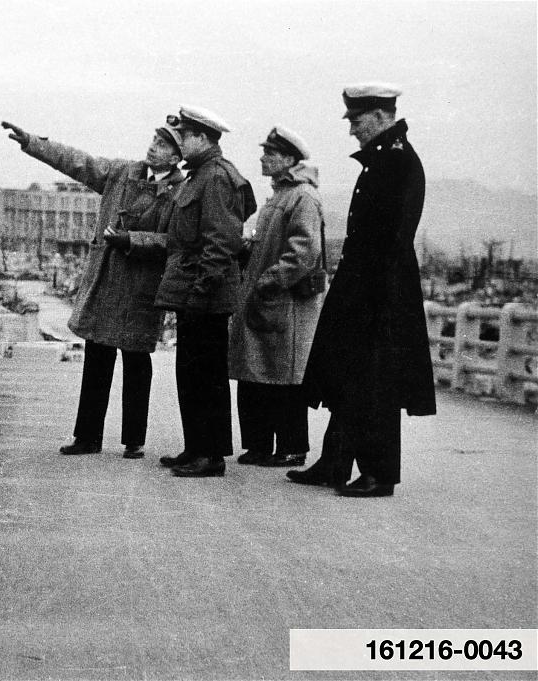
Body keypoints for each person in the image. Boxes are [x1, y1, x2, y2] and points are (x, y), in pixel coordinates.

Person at [0, 119, 186, 459]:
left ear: (176, 158)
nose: (152, 147)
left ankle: (134, 439)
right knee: (97, 359)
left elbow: (175, 241)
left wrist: (133, 239)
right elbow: (78, 161)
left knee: (137, 363)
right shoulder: (122, 173)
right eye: (154, 140)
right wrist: (33, 143)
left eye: (162, 145)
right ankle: (87, 437)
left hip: (142, 287)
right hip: (106, 281)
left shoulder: (181, 193)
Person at [296, 83, 435, 497]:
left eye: (357, 121)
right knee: (350, 375)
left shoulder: (397, 163)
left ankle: (380, 473)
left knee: (376, 382)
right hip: (366, 285)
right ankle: (335, 462)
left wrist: (373, 297)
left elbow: (391, 238)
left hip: (380, 289)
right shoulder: (383, 161)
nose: (353, 129)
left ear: (378, 116)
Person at [130, 106, 257, 477]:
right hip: (193, 289)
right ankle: (196, 447)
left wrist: (201, 289)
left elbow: (221, 240)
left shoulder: (216, 177)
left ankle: (211, 455)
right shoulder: (201, 175)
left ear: (202, 138)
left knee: (207, 375)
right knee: (191, 373)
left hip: (205, 292)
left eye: (184, 136)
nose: (180, 143)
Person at [229, 126, 325, 468]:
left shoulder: (302, 197)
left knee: (284, 378)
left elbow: (303, 251)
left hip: (285, 303)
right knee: (258, 374)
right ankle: (258, 445)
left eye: (270, 153)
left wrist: (268, 281)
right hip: (266, 301)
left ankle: (291, 447)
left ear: (287, 159)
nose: (263, 157)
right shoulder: (280, 197)